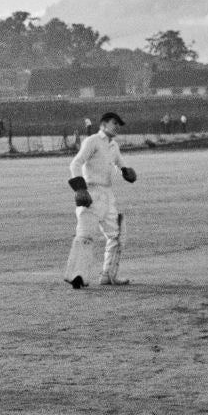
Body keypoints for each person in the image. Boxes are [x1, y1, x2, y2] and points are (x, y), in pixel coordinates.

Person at [65, 111, 135, 289]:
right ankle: (77, 276)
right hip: (91, 192)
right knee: (85, 235)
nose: (117, 127)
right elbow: (75, 163)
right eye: (114, 123)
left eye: (118, 124)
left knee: (118, 235)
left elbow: (121, 165)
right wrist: (80, 188)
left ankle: (109, 275)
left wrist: (126, 171)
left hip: (107, 195)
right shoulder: (93, 141)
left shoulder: (113, 146)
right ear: (103, 125)